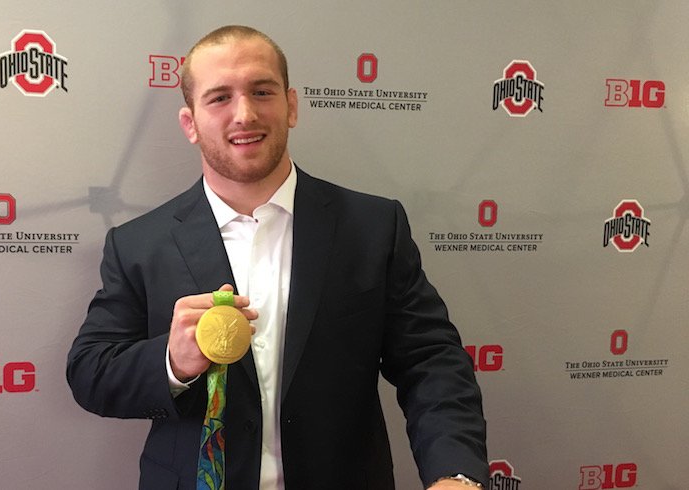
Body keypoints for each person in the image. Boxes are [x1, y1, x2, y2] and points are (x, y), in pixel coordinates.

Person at [67, 25, 489, 489]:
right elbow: (92, 371)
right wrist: (171, 360)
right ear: (190, 123)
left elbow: (432, 360)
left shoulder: (372, 226)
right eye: (219, 97)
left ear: (291, 106)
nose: (244, 113)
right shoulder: (137, 244)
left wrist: (456, 473)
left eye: (261, 91)